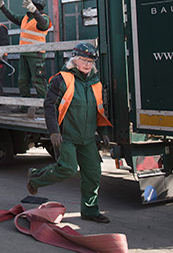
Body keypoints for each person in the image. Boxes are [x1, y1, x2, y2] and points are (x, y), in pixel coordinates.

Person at [26, 42, 113, 224]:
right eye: (83, 60)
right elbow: (50, 106)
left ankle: (90, 211)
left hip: (88, 138)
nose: (87, 64)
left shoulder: (95, 82)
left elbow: (99, 109)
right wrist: (53, 132)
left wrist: (103, 132)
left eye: (91, 61)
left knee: (93, 172)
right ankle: (35, 177)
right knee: (68, 168)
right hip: (67, 136)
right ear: (74, 60)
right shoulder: (62, 79)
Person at [0, 0, 51, 105]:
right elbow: (13, 17)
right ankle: (25, 106)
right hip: (24, 54)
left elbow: (43, 25)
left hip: (36, 55)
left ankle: (46, 107)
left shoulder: (44, 18)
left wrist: (34, 12)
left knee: (38, 81)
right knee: (22, 81)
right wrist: (2, 7)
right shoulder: (26, 18)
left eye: (31, 4)